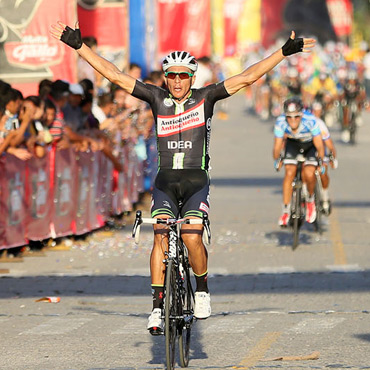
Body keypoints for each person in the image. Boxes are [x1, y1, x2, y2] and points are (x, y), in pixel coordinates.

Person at [50, 21, 315, 333]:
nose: (177, 81)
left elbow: (247, 77)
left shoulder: (206, 97)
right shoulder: (155, 98)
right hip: (165, 181)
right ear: (166, 77)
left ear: (192, 77)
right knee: (160, 234)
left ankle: (201, 289)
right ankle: (156, 308)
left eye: (183, 75)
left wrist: (283, 53)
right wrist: (80, 48)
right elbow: (115, 76)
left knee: (190, 235)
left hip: (195, 181)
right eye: (172, 75)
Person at [273, 97, 325, 227]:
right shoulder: (280, 122)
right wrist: (277, 159)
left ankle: (310, 200)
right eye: (289, 117)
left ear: (301, 114)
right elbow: (277, 145)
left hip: (310, 146)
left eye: (296, 117)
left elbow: (319, 144)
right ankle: (285, 210)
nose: (293, 121)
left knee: (309, 173)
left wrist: (321, 161)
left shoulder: (310, 120)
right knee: (289, 173)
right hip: (293, 145)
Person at [310, 101, 338, 215]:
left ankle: (325, 197)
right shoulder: (303, 122)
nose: (316, 114)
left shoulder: (320, 124)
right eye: (314, 111)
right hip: (306, 153)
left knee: (323, 174)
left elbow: (329, 144)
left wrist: (333, 157)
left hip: (319, 153)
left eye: (318, 111)